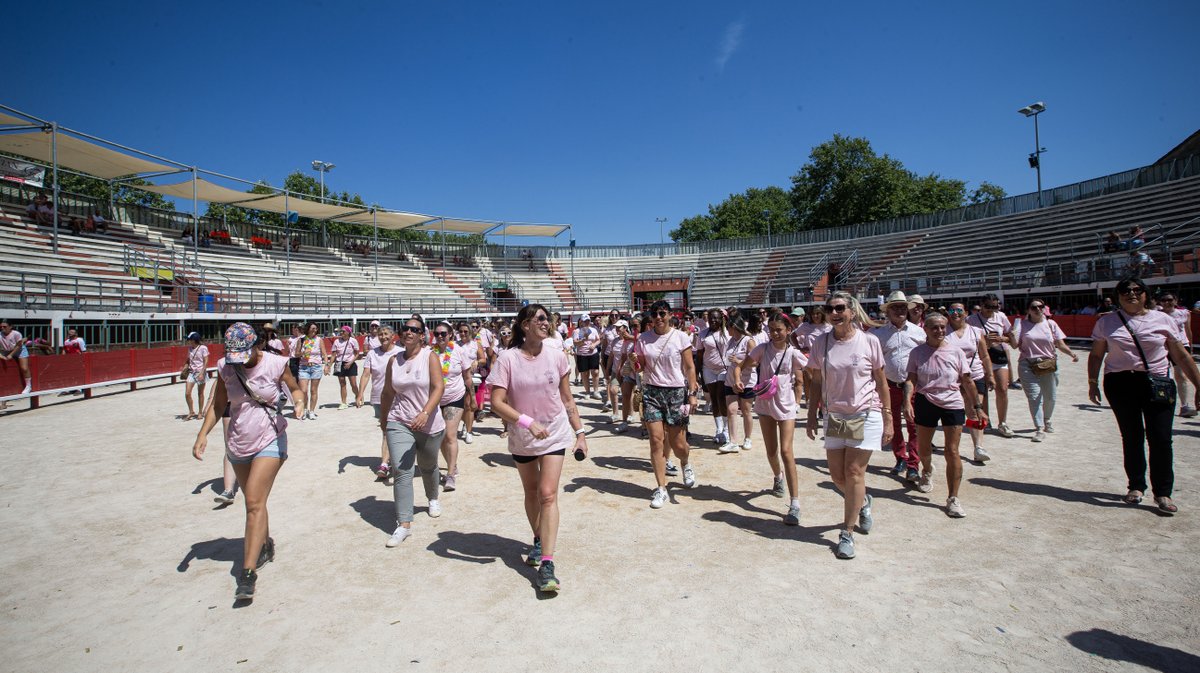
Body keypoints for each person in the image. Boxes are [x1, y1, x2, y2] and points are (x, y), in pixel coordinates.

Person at [192, 322, 305, 601]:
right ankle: (264, 544)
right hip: (238, 441)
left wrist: (299, 402)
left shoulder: (276, 363)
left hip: (270, 437)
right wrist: (203, 434)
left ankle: (248, 571)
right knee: (256, 501)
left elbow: (294, 388)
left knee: (253, 502)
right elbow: (219, 404)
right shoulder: (226, 367)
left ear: (257, 345)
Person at [489, 304, 588, 594]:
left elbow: (567, 399)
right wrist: (525, 422)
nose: (547, 323)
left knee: (547, 494)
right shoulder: (507, 359)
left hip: (555, 433)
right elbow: (497, 403)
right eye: (541, 319)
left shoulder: (558, 356)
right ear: (525, 325)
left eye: (548, 319)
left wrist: (580, 433)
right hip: (523, 436)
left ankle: (547, 562)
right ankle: (537, 537)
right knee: (531, 492)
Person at [1089, 278, 1200, 514]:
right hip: (1119, 382)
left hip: (1157, 382)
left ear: (1145, 294)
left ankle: (1163, 492)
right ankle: (1136, 486)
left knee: (1160, 438)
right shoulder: (1107, 322)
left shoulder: (1163, 319)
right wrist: (1092, 382)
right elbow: (1097, 355)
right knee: (1131, 436)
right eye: (1125, 291)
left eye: (1137, 290)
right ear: (1118, 296)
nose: (1131, 294)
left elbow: (1181, 357)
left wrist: (1199, 385)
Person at [805, 292, 891, 560]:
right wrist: (811, 414)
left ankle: (847, 533)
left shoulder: (869, 341)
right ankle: (862, 503)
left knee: (854, 472)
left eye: (840, 308)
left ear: (852, 311)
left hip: (865, 412)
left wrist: (888, 417)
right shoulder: (822, 342)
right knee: (837, 477)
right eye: (830, 308)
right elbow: (817, 381)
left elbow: (881, 381)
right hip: (835, 415)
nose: (835, 312)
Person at [902, 312, 987, 517]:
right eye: (934, 327)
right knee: (923, 449)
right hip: (926, 401)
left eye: (942, 327)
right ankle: (927, 470)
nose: (939, 331)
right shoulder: (917, 353)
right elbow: (911, 379)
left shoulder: (956, 352)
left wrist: (977, 407)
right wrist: (907, 402)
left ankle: (953, 498)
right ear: (926, 330)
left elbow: (967, 381)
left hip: (952, 402)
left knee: (952, 451)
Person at [735, 314, 808, 525]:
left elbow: (806, 375)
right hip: (765, 404)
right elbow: (742, 365)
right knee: (771, 451)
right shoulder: (762, 349)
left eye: (779, 330)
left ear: (788, 330)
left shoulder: (793, 353)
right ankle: (778, 477)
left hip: (786, 407)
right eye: (772, 329)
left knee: (786, 451)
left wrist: (798, 401)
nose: (775, 333)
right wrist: (739, 379)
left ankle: (795, 504)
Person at [380, 317, 445, 547]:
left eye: (414, 329)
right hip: (399, 421)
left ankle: (433, 497)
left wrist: (425, 413)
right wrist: (384, 420)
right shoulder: (393, 361)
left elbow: (439, 387)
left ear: (421, 335)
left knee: (428, 466)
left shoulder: (430, 357)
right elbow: (388, 392)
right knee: (402, 470)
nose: (408, 332)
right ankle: (403, 524)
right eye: (405, 328)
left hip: (429, 424)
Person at [633, 299, 700, 508]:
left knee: (679, 444)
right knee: (656, 440)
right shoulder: (643, 338)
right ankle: (661, 488)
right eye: (655, 314)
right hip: (652, 391)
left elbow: (689, 368)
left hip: (676, 393)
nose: (659, 318)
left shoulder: (680, 337)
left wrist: (692, 394)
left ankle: (685, 462)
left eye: (662, 313)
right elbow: (639, 367)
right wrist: (633, 361)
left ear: (670, 315)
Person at [869, 291, 926, 483]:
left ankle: (913, 464)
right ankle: (901, 457)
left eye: (903, 307)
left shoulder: (919, 333)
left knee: (914, 425)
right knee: (892, 423)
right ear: (889, 311)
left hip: (913, 385)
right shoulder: (879, 335)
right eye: (895, 307)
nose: (900, 310)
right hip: (889, 384)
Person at [1010, 299, 1077, 441]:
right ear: (1028, 310)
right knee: (1034, 396)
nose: (1038, 309)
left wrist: (1072, 354)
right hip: (1027, 363)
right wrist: (1011, 335)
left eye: (1041, 306)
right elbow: (1015, 345)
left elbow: (1060, 343)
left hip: (1048, 363)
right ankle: (1039, 428)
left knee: (1050, 396)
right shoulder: (1022, 324)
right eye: (1034, 307)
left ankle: (1047, 419)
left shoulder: (1051, 324)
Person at [944, 302, 995, 462]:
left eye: (959, 310)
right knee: (956, 412)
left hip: (975, 375)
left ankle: (978, 447)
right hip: (952, 377)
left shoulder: (976, 332)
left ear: (966, 313)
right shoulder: (943, 331)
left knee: (974, 411)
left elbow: (985, 355)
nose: (955, 313)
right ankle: (953, 446)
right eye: (952, 310)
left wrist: (990, 375)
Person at [432, 322, 473, 492]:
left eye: (443, 333)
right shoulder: (430, 354)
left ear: (450, 335)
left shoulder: (458, 351)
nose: (440, 336)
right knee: (440, 437)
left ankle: (450, 475)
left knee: (450, 435)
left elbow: (467, 376)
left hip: (455, 397)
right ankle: (452, 464)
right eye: (437, 334)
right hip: (435, 399)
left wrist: (471, 398)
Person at [968, 294, 1015, 438]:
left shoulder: (1001, 316)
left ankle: (1003, 422)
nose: (991, 310)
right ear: (981, 305)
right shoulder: (971, 320)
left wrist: (1003, 338)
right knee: (982, 392)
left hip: (997, 355)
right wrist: (983, 341)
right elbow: (967, 339)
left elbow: (1011, 336)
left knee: (1002, 389)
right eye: (988, 306)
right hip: (980, 358)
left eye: (994, 306)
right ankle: (985, 420)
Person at [357, 326, 400, 480]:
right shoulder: (372, 354)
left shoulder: (400, 352)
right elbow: (366, 374)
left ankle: (385, 462)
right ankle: (388, 462)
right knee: (386, 430)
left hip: (397, 396)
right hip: (378, 397)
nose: (383, 336)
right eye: (380, 334)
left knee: (393, 429)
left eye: (386, 334)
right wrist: (360, 393)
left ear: (393, 336)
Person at [720, 313, 757, 453]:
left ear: (734, 327)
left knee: (746, 410)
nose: (727, 330)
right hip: (730, 380)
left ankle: (747, 438)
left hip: (746, 380)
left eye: (728, 327)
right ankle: (733, 441)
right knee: (731, 411)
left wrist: (739, 362)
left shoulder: (748, 341)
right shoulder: (731, 341)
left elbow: (755, 362)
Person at [1156, 292, 1196, 417]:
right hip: (1163, 346)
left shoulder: (1184, 313)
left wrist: (1190, 346)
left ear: (1175, 300)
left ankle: (1184, 405)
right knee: (1163, 377)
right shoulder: (1157, 315)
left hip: (1181, 345)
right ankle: (1164, 401)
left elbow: (1188, 330)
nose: (1166, 302)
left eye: (1169, 300)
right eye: (1163, 300)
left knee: (1181, 376)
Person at [697, 309, 731, 445]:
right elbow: (699, 354)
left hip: (724, 369)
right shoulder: (703, 334)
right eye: (711, 319)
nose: (713, 321)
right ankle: (719, 429)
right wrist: (698, 373)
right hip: (708, 369)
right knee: (714, 399)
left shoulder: (727, 333)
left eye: (716, 318)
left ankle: (727, 431)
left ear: (722, 319)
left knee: (721, 397)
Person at [296, 322, 329, 420]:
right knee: (304, 391)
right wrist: (302, 353)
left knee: (313, 390)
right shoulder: (301, 340)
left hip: (316, 367)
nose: (315, 330)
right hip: (304, 367)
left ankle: (311, 411)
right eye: (313, 328)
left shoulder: (319, 340)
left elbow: (324, 354)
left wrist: (326, 365)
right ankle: (305, 410)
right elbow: (296, 354)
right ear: (308, 329)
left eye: (316, 328)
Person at [329, 326, 361, 410]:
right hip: (340, 363)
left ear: (348, 332)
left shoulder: (353, 341)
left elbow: (357, 354)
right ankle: (343, 402)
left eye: (343, 331)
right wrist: (329, 365)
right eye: (341, 331)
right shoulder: (337, 341)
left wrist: (350, 363)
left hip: (351, 363)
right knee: (342, 383)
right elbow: (333, 355)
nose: (341, 333)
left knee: (353, 384)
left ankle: (358, 396)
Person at [0, 320, 32, 402]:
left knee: (24, 368)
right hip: (6, 350)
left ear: (10, 327)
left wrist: (11, 355)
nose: (2, 328)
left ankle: (28, 385)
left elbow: (19, 345)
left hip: (19, 350)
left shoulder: (16, 334)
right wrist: (1, 356)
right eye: (1, 327)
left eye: (4, 326)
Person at [572, 316, 602, 399]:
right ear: (581, 321)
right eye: (585, 321)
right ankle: (587, 392)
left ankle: (596, 391)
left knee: (595, 372)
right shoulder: (577, 331)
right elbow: (575, 343)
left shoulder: (594, 330)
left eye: (588, 321)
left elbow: (598, 340)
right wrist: (583, 340)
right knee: (585, 374)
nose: (587, 323)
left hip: (593, 353)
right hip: (582, 354)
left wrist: (594, 345)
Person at [181, 332, 209, 421]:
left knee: (200, 393)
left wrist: (202, 373)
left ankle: (200, 412)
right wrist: (185, 367)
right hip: (191, 373)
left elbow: (206, 361)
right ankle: (191, 411)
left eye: (189, 339)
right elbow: (188, 360)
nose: (187, 341)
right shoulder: (190, 349)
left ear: (193, 340)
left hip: (200, 372)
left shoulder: (203, 348)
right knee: (187, 393)